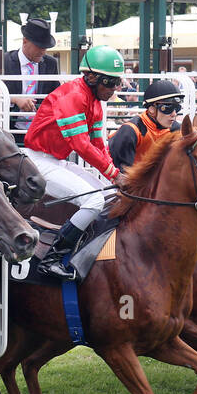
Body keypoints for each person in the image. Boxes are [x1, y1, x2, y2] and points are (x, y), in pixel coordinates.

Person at [24, 44, 127, 281]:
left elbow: (98, 145)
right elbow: (81, 145)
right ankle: (51, 259)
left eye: (117, 82)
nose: (113, 89)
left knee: (106, 194)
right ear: (90, 77)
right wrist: (113, 173)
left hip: (55, 160)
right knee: (93, 200)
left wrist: (115, 175)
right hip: (36, 161)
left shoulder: (95, 102)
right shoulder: (73, 96)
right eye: (109, 82)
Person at [108, 78, 183, 172]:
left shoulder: (175, 130)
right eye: (167, 108)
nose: (174, 114)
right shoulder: (130, 131)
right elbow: (122, 175)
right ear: (151, 109)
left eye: (177, 108)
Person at [4, 17, 60, 134]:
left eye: (45, 47)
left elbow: (56, 94)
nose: (43, 51)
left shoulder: (51, 63)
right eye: (39, 46)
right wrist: (15, 99)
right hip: (9, 131)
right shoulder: (5, 61)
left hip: (41, 131)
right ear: (25, 41)